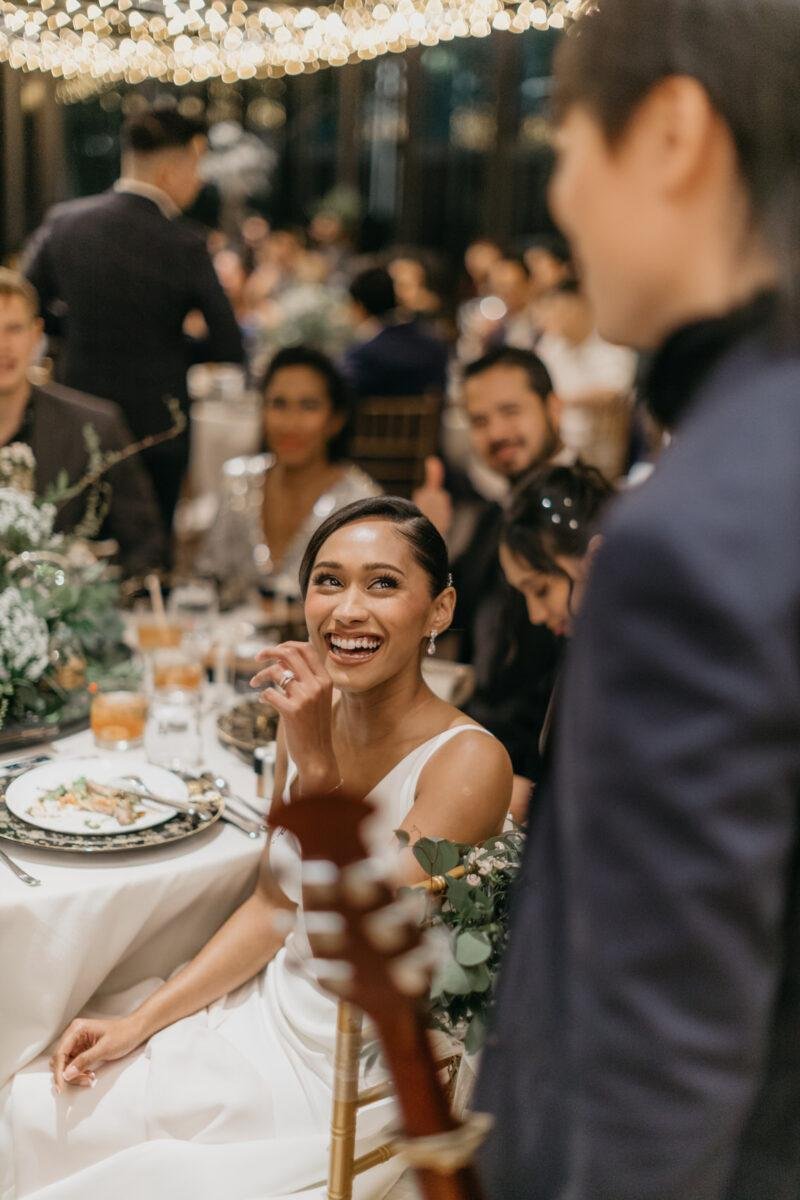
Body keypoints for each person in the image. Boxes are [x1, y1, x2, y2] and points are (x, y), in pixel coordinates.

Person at [476, 2, 800, 1198]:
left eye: (563, 146)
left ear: (669, 132)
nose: (557, 200)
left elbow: (658, 1056)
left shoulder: (693, 534)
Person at [9, 497, 512, 1200]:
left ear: (440, 610)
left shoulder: (468, 762)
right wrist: (139, 1023)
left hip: (349, 1065)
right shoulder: (308, 719)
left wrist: (319, 765)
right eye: (328, 581)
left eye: (383, 584)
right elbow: (273, 906)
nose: (346, 610)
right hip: (265, 1007)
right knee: (31, 1107)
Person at [22, 105, 244, 541]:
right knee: (148, 541)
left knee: (73, 538)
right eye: (196, 167)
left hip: (75, 405)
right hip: (159, 418)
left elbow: (25, 302)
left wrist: (71, 331)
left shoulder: (65, 224)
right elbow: (228, 345)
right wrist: (176, 346)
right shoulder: (185, 242)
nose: (199, 181)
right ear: (171, 169)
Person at [414, 346, 571, 816]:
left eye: (510, 412)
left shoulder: (576, 523)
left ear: (554, 409)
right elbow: (451, 620)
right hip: (475, 741)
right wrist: (430, 542)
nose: (497, 433)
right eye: (480, 421)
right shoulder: (496, 516)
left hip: (531, 777)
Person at [0, 269, 165, 574]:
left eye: (14, 329)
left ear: (36, 335)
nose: (3, 346)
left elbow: (145, 547)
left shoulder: (94, 428)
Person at [197, 346, 379, 604]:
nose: (290, 423)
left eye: (308, 406)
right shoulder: (238, 480)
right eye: (279, 404)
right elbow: (208, 576)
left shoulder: (360, 504)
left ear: (335, 420)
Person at [341, 266, 448, 398]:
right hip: (429, 419)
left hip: (371, 419)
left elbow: (346, 393)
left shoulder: (363, 355)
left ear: (360, 306)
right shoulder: (433, 346)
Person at [535, 277, 637, 402]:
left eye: (563, 309)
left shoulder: (610, 339)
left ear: (582, 306)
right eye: (551, 309)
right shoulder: (551, 342)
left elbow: (614, 392)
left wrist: (559, 400)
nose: (552, 316)